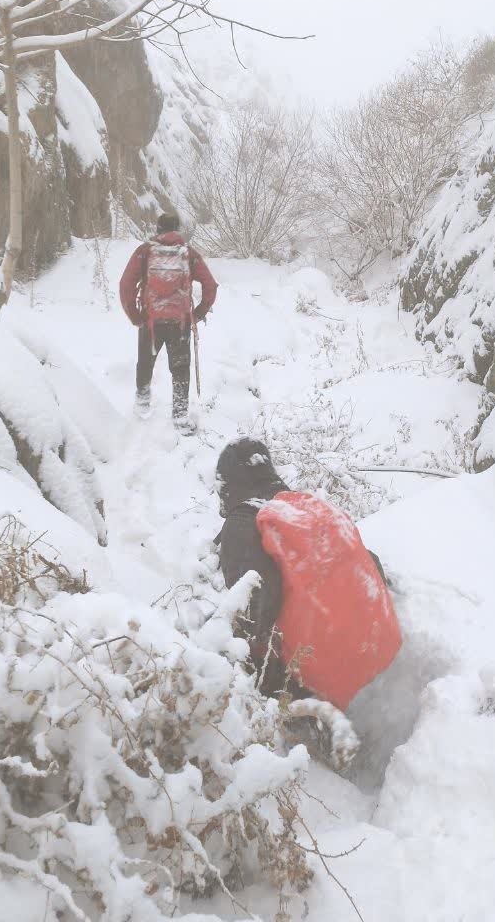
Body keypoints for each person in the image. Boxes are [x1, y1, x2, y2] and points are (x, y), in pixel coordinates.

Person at [214, 437, 397, 703]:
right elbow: (368, 562)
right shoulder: (307, 506)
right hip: (381, 648)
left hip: (325, 679)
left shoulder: (241, 524)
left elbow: (256, 608)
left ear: (227, 484)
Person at [119, 210, 217, 431]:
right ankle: (180, 417)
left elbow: (125, 286)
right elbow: (210, 285)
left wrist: (136, 317)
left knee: (145, 363)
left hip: (150, 322)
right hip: (179, 323)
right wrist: (198, 314)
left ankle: (142, 407)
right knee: (180, 369)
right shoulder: (188, 254)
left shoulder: (144, 252)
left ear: (158, 229)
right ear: (177, 230)